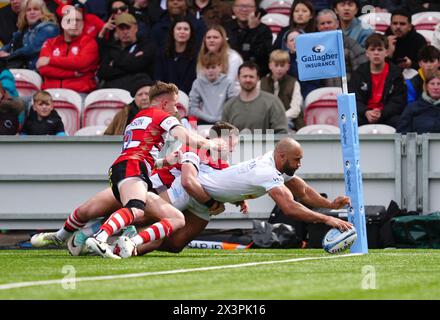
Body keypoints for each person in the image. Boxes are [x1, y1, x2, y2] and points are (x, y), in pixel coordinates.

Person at [31, 81, 225, 258]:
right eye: (174, 105)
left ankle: (62, 235)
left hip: (123, 168)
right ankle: (100, 238)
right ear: (164, 103)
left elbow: (139, 152)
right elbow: (186, 137)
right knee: (136, 209)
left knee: (89, 210)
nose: (176, 109)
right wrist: (212, 144)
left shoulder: (138, 118)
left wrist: (164, 161)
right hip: (133, 169)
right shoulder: (162, 115)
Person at [117, 137, 353, 257]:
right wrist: (327, 219)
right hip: (195, 188)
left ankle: (126, 248)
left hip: (209, 201)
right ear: (282, 156)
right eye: (296, 160)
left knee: (175, 244)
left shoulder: (276, 166)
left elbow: (302, 191)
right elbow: (289, 207)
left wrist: (329, 205)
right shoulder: (266, 171)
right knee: (143, 216)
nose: (300, 164)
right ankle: (100, 229)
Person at [36, 6, 99, 95]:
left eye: (78, 20)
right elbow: (44, 69)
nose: (75, 23)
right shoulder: (50, 43)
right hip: (49, 94)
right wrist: (72, 73)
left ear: (83, 24)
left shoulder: (89, 42)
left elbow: (81, 63)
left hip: (78, 93)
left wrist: (50, 60)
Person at [349, 33, 407, 128]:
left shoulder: (396, 73)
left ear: (386, 52)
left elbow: (398, 101)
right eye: (372, 50)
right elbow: (354, 99)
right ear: (367, 53)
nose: (376, 53)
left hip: (387, 115)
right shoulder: (359, 73)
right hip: (364, 115)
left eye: (380, 49)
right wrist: (366, 112)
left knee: (400, 121)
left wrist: (382, 113)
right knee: (350, 121)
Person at [222, 61, 288, 134]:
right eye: (245, 76)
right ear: (238, 78)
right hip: (236, 145)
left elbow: (281, 133)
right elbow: (223, 135)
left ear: (258, 78)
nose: (248, 80)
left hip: (266, 145)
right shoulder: (229, 106)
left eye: (251, 77)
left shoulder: (272, 102)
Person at [97, 13, 156, 90]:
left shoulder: (146, 45)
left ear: (136, 28)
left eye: (128, 28)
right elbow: (103, 73)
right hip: (113, 91)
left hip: (138, 91)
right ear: (116, 31)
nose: (125, 32)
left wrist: (114, 63)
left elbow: (139, 65)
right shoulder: (111, 48)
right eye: (121, 28)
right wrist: (132, 60)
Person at [0, 0, 59, 70]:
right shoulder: (24, 30)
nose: (32, 12)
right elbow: (11, 44)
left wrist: (10, 55)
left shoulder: (49, 28)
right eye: (28, 10)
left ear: (43, 12)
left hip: (38, 72)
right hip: (22, 69)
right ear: (24, 14)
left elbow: (31, 49)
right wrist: (2, 52)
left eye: (36, 9)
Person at [316, 8, 368, 87]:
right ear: (318, 27)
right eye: (322, 23)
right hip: (321, 93)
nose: (326, 26)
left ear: (337, 24)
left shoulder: (350, 44)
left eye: (329, 22)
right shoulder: (313, 47)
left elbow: (362, 70)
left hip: (348, 90)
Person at [223, 0, 273, 77]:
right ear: (233, 9)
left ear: (255, 9)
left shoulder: (264, 30)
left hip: (256, 76)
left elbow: (261, 55)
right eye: (240, 6)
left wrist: (253, 30)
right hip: (230, 75)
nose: (244, 9)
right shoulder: (225, 28)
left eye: (248, 6)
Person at [260, 49, 304, 132]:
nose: (279, 69)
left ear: (288, 66)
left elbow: (295, 109)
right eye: (276, 65)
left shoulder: (294, 83)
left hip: (289, 121)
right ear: (270, 66)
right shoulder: (261, 83)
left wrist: (278, 118)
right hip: (265, 122)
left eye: (282, 65)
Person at [189, 52, 238, 125]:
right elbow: (192, 108)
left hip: (224, 123)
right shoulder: (197, 83)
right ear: (203, 68)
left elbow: (233, 106)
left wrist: (222, 118)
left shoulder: (228, 82)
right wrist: (210, 118)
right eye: (207, 67)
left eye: (213, 67)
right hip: (203, 122)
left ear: (220, 67)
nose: (210, 71)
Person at [154, 16, 198, 94]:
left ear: (191, 33)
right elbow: (158, 78)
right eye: (179, 29)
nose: (182, 32)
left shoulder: (196, 55)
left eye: (186, 29)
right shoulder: (161, 53)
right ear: (172, 31)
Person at [284, 28, 320, 100]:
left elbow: (316, 83)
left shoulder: (313, 58)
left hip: (311, 96)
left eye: (298, 39)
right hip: (290, 96)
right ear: (286, 45)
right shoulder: (284, 60)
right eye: (291, 40)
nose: (295, 42)